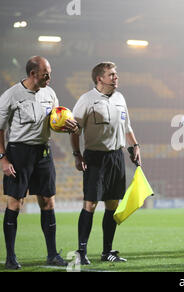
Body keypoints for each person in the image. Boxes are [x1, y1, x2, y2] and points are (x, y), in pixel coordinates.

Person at [0, 56, 78, 269]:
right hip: (19, 152)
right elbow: (0, 129)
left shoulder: (49, 93)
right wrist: (3, 159)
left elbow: (55, 121)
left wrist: (66, 126)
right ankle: (10, 257)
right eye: (46, 73)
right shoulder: (11, 96)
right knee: (15, 202)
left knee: (48, 201)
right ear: (33, 73)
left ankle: (52, 254)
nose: (49, 77)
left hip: (43, 151)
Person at [70, 61, 141, 265]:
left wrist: (135, 146)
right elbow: (75, 130)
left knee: (112, 204)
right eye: (111, 74)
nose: (116, 77)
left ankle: (107, 251)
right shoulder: (86, 100)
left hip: (116, 157)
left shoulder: (120, 98)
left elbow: (127, 127)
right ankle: (81, 252)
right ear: (99, 78)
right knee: (90, 204)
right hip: (95, 158)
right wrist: (77, 154)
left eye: (116, 74)